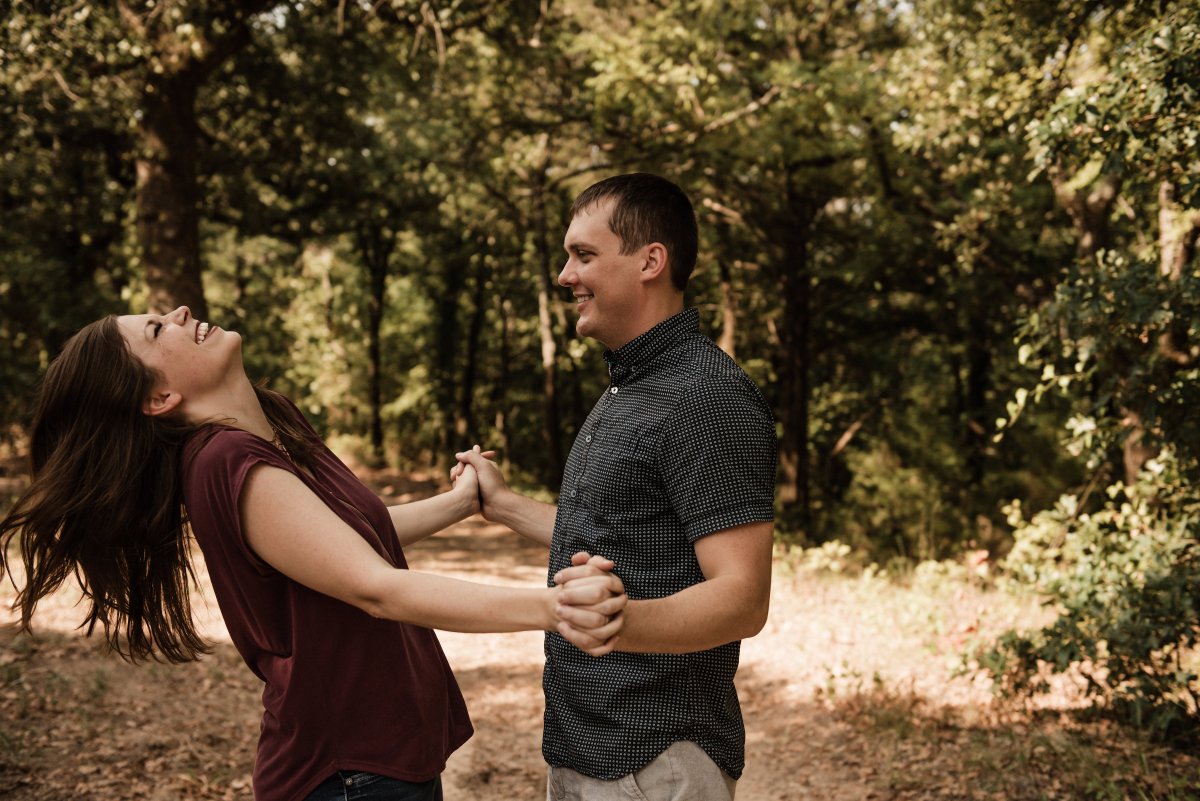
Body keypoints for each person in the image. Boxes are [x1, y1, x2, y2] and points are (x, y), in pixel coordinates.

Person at [0, 307, 628, 801]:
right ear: (159, 398)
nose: (181, 312)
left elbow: (347, 537)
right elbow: (374, 586)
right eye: (158, 329)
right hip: (347, 774)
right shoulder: (225, 460)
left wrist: (464, 502)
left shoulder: (273, 426)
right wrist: (554, 608)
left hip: (383, 751)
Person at [454, 173, 778, 801]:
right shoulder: (627, 387)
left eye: (584, 255)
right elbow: (620, 536)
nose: (564, 276)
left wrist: (612, 622)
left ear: (651, 262)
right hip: (583, 748)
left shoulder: (707, 396)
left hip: (656, 761)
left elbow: (743, 599)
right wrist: (504, 505)